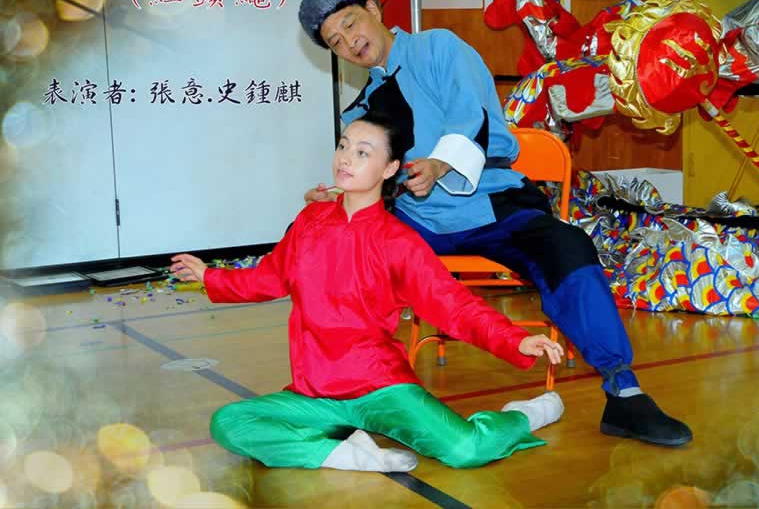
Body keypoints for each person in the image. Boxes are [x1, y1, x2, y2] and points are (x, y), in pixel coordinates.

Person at [298, 0, 693, 447]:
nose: (349, 42)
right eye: (336, 42)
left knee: (567, 247)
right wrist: (337, 199)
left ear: (372, 9)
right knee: (335, 250)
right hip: (420, 222)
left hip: (494, 204)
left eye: (350, 24)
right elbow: (370, 182)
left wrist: (440, 163)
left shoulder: (438, 48)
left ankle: (624, 393)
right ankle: (343, 396)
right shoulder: (360, 111)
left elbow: (473, 116)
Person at [170, 114, 566, 471]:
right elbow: (268, 279)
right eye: (343, 146)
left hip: (382, 389)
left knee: (466, 450)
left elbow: (453, 305)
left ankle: (523, 416)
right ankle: (346, 455)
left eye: (362, 152)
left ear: (390, 168)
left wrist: (514, 339)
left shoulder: (398, 241)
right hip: (317, 393)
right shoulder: (310, 221)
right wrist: (209, 276)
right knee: (230, 423)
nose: (345, 159)